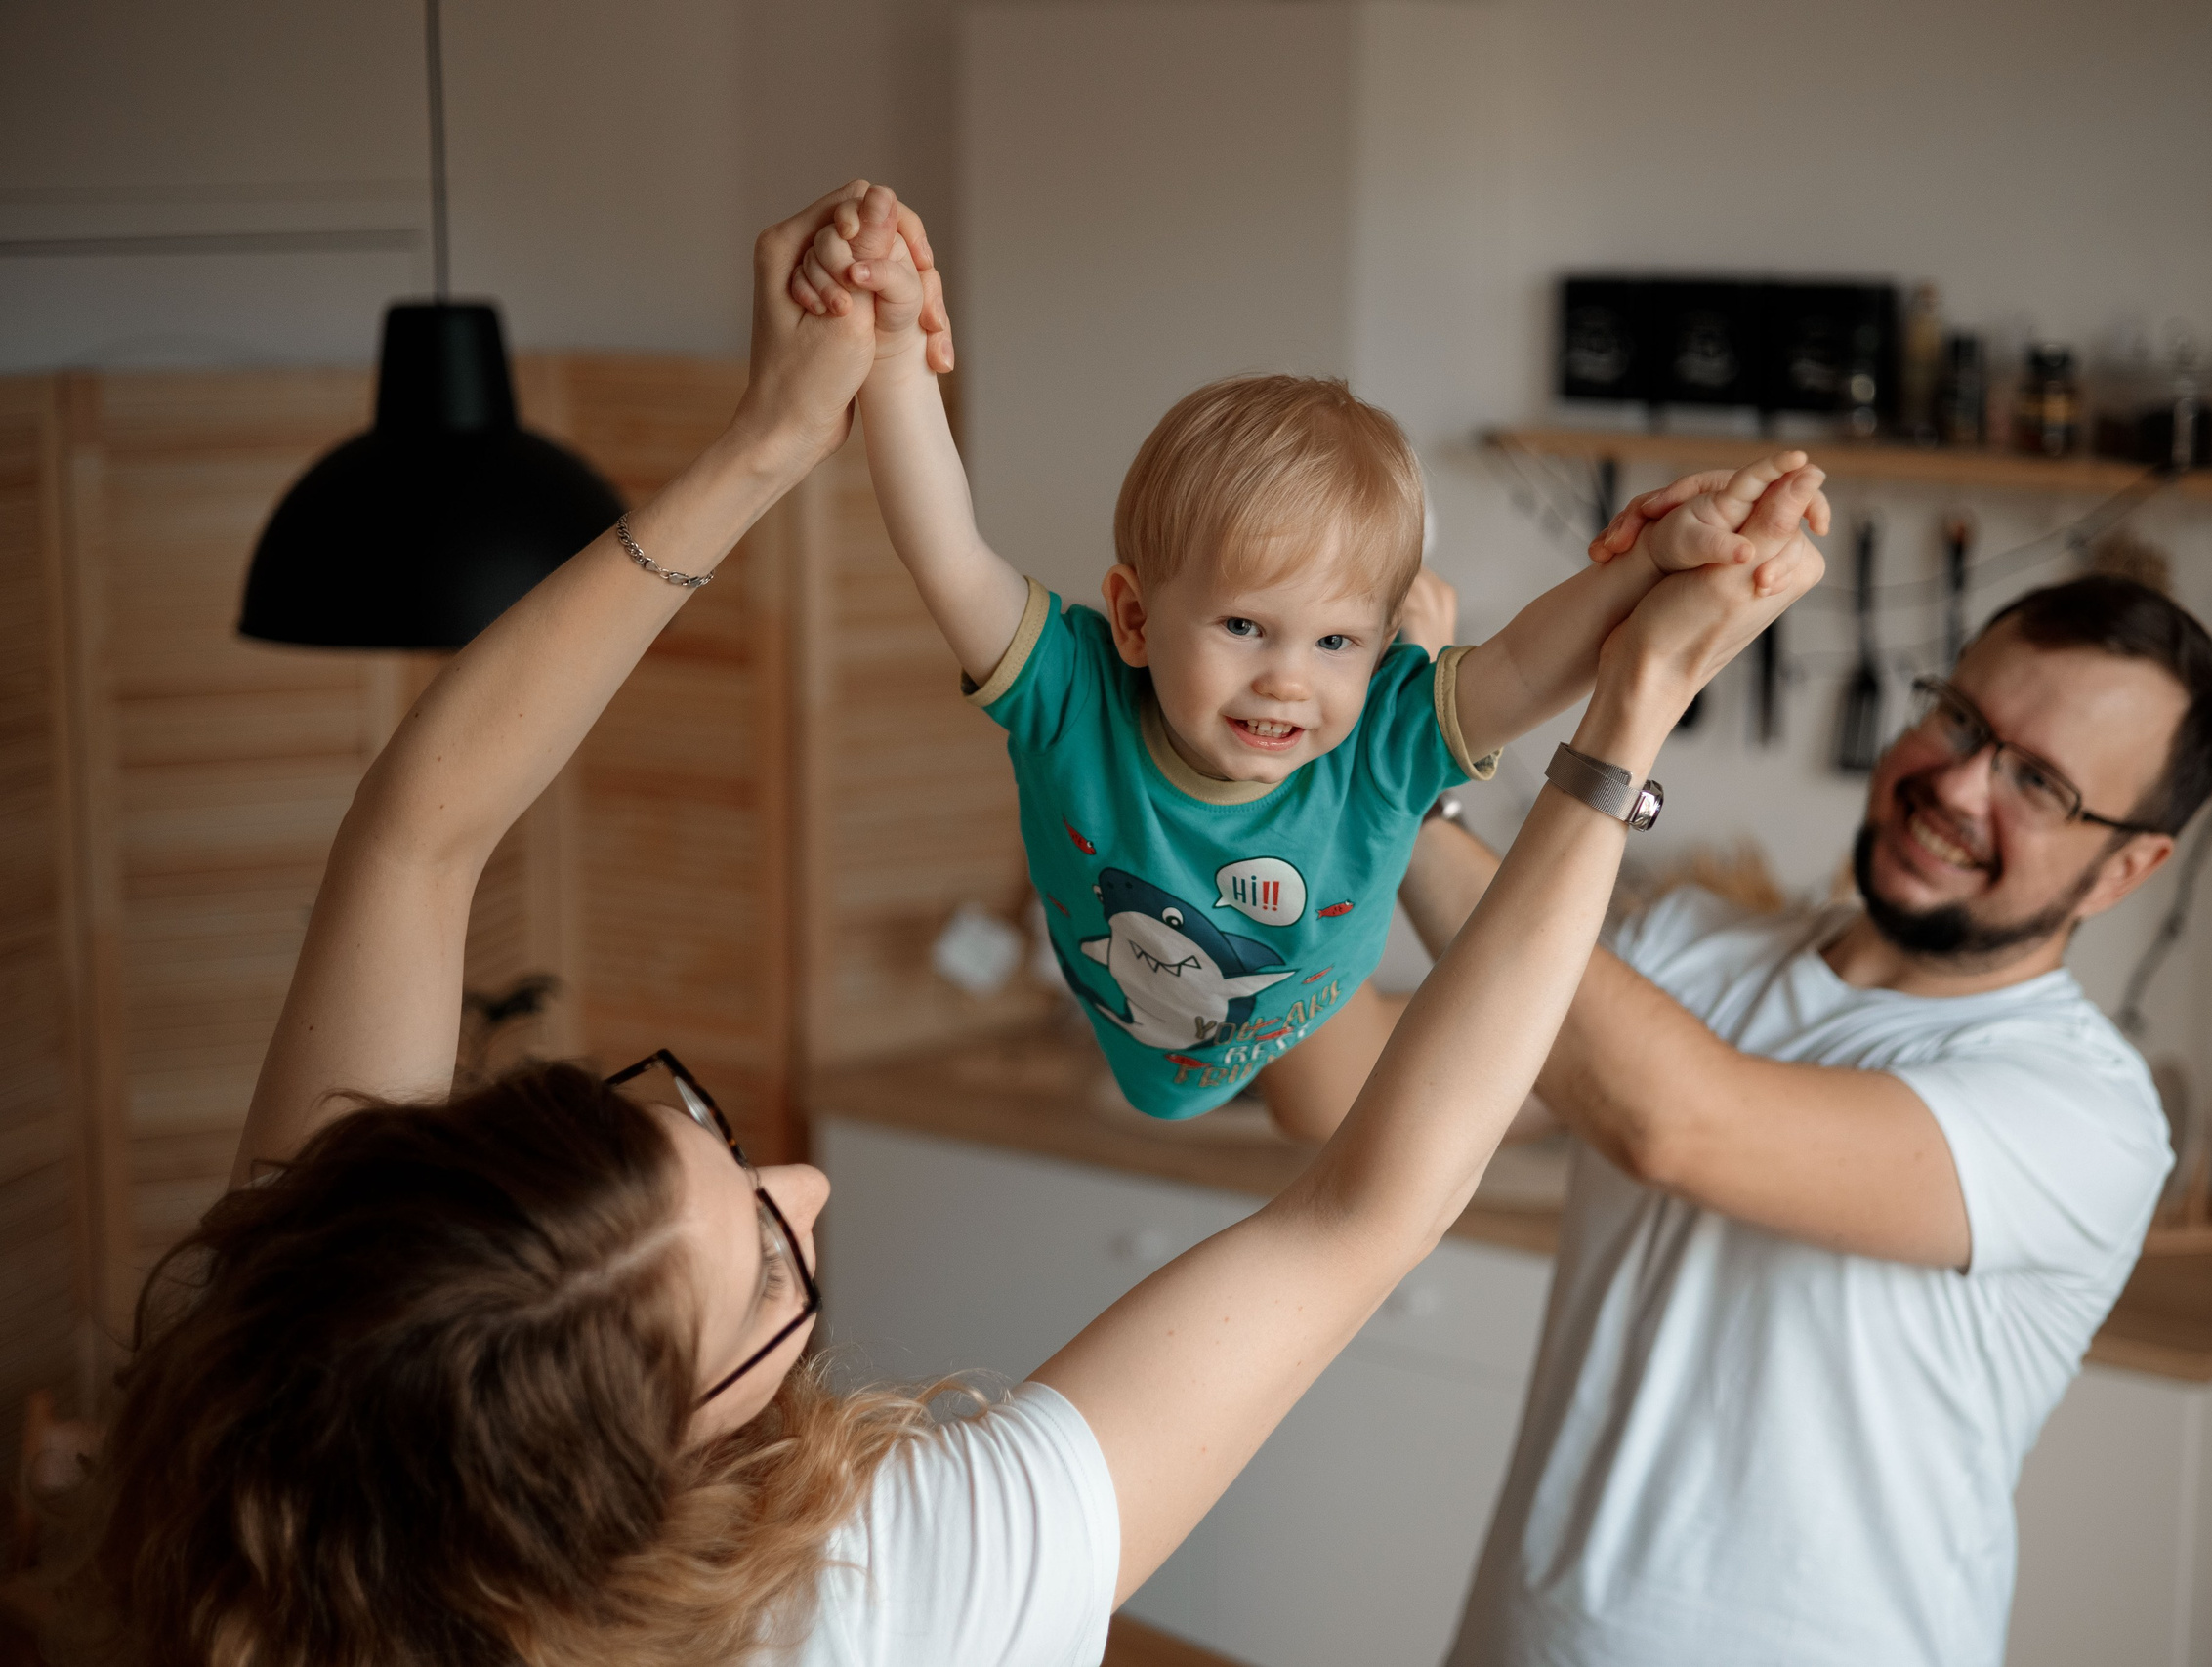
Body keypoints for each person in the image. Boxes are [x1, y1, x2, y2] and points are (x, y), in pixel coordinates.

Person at [57, 182, 1822, 1667]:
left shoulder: (297, 1367)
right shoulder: (881, 1600)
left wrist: (774, 432)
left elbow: (409, 839)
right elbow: (1369, 1207)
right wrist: (1631, 725)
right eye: (765, 1259)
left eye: (688, 1130)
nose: (812, 1184)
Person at [1359, 477, 2212, 1666]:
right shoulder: (1684, 947)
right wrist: (1237, 807)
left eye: (2042, 784)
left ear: (2128, 868)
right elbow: (1361, 1092)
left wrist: (1394, 766)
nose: (1961, 786)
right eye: (1964, 723)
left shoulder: (2086, 1112)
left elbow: (1678, 1125)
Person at [814, 190, 1829, 1123]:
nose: (1287, 679)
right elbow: (944, 552)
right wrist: (897, 353)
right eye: (1244, 627)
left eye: (1336, 641)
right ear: (1132, 619)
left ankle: (1398, 636)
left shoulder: (1378, 731)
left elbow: (1525, 666)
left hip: (1316, 1020)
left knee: (1364, 1118)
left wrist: (1655, 555)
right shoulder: (1072, 692)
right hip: (1155, 1013)